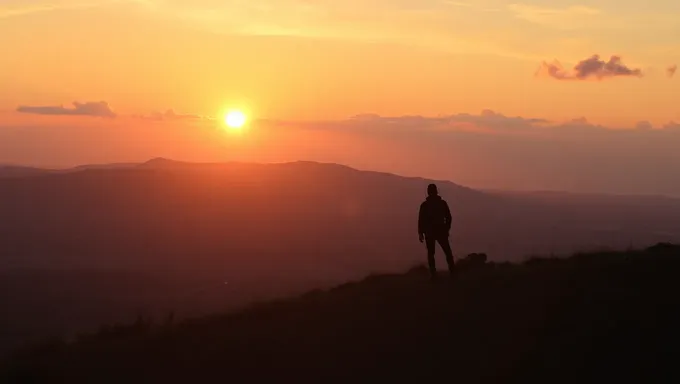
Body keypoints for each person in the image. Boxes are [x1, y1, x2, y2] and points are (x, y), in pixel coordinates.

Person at [418, 183, 455, 279]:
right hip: (441, 231)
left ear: (428, 192)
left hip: (430, 232)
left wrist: (421, 232)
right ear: (436, 191)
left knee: (431, 254)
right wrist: (446, 228)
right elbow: (449, 217)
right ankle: (453, 273)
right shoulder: (442, 203)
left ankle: (433, 275)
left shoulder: (425, 205)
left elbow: (421, 220)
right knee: (447, 252)